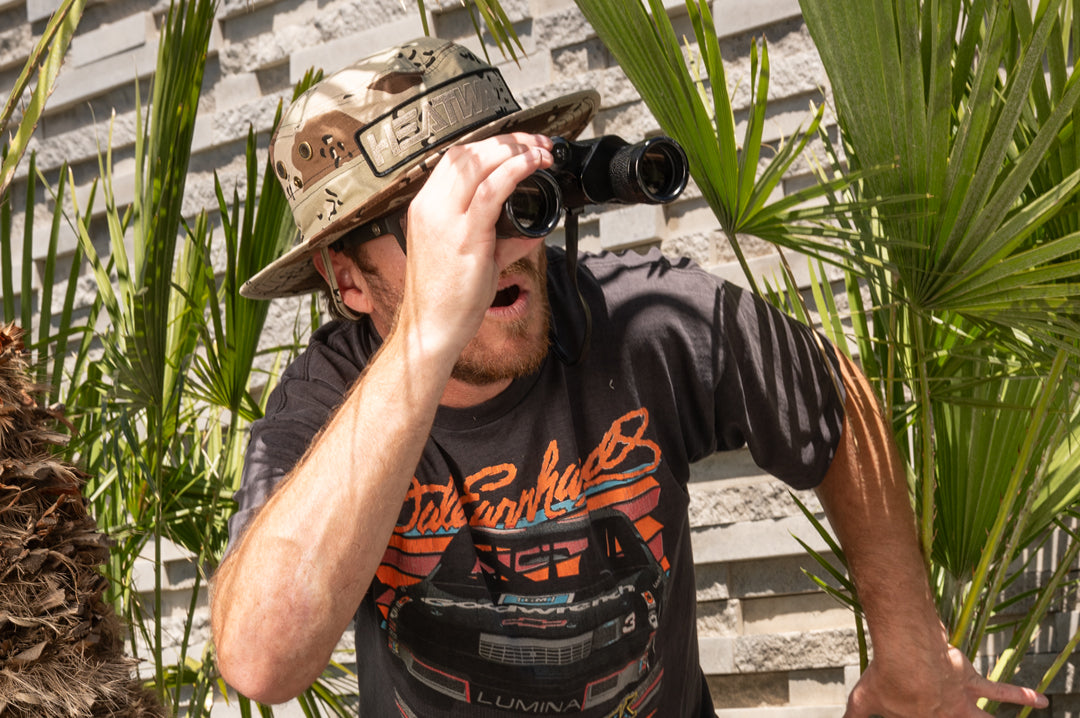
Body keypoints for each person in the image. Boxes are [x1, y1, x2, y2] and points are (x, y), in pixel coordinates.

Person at [209, 36, 1049, 718]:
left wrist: (908, 648)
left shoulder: (643, 320)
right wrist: (428, 334)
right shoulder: (328, 404)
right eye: (442, 222)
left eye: (511, 202)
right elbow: (258, 660)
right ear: (347, 280)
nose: (497, 246)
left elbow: (837, 400)